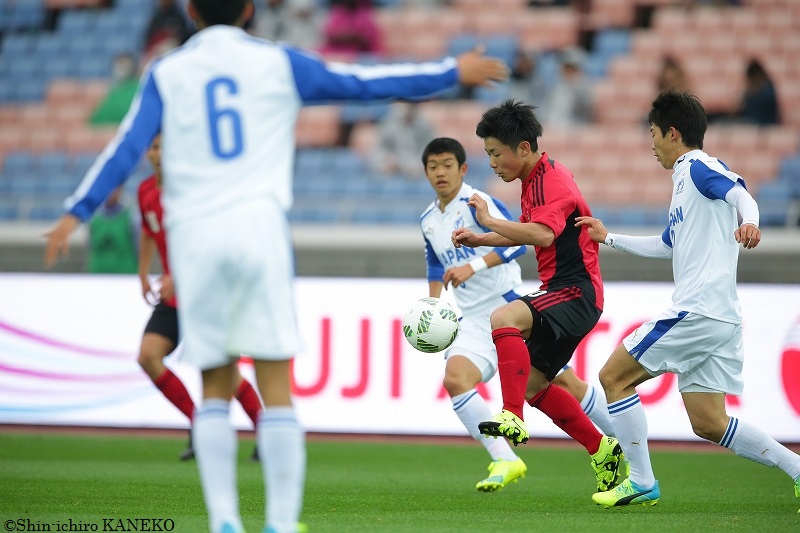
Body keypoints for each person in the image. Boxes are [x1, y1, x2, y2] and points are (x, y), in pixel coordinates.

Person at [43, 0, 508, 530]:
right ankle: (282, 521)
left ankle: (223, 519)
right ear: (248, 11)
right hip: (258, 231)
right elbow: (362, 83)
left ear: (191, 11)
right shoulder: (277, 61)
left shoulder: (168, 71)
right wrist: (452, 71)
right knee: (275, 384)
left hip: (196, 237)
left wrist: (74, 211)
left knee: (214, 384)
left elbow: (125, 147)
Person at [576, 89, 800, 510]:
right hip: (720, 316)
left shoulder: (698, 166)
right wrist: (609, 238)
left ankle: (641, 481)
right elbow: (668, 245)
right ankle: (799, 470)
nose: (651, 144)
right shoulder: (684, 181)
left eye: (654, 134)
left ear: (673, 133)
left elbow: (741, 196)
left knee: (612, 377)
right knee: (708, 422)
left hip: (698, 309)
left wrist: (750, 222)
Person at [420, 137, 616, 492]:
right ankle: (505, 458)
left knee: (564, 383)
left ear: (462, 169)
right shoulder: (428, 220)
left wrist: (474, 264)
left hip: (509, 303)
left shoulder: (479, 202)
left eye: (447, 164)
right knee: (456, 380)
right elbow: (435, 266)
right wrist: (433, 308)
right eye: (433, 166)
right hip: (472, 318)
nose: (440, 172)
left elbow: (524, 242)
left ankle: (622, 437)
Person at [137, 135, 263, 462]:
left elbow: (210, 237)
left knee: (222, 371)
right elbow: (151, 232)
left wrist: (178, 275)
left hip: (205, 290)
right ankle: (198, 425)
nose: (159, 153)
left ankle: (266, 429)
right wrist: (142, 272)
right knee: (148, 356)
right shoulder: (145, 192)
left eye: (166, 145)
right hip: (174, 296)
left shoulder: (190, 192)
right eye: (154, 147)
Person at [369, 102, 437, 179]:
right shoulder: (389, 124)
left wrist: (419, 165)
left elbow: (431, 152)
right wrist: (384, 161)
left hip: (418, 174)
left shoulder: (425, 126)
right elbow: (377, 151)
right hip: (392, 174)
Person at [87, 184, 139, 274]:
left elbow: (138, 246)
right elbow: (90, 245)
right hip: (98, 274)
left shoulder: (131, 216)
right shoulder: (94, 217)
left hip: (125, 275)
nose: (111, 192)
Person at [542, 46, 593, 126]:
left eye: (572, 68)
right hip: (552, 127)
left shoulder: (585, 87)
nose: (568, 71)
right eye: (566, 68)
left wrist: (575, 85)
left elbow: (585, 112)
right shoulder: (557, 86)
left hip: (575, 128)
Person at [89, 52, 141, 126]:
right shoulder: (113, 92)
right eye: (119, 66)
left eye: (124, 66)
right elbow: (95, 122)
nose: (121, 70)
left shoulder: (139, 88)